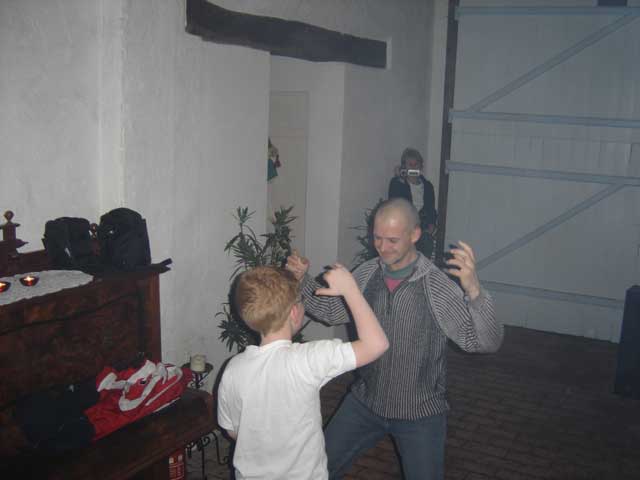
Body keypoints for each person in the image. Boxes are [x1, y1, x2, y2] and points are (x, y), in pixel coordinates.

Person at [286, 198, 503, 480]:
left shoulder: (435, 286)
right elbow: (331, 311)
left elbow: (485, 342)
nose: (382, 247)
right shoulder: (367, 273)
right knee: (314, 471)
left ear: (414, 235)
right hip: (366, 402)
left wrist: (474, 290)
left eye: (392, 240)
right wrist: (301, 280)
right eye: (377, 238)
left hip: (419, 413)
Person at [217, 265, 389, 480]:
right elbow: (376, 344)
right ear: (294, 312)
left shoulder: (233, 369)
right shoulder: (307, 360)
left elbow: (233, 431)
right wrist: (350, 290)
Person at [388, 147, 437, 258]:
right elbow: (394, 205)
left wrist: (432, 225)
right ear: (404, 167)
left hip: (423, 229)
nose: (414, 167)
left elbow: (431, 209)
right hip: (404, 228)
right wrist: (400, 179)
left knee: (425, 247)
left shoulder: (428, 186)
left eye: (416, 164)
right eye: (410, 164)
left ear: (421, 166)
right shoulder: (397, 183)